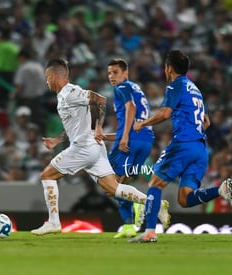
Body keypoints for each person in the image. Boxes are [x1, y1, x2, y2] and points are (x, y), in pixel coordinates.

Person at [31, 58, 170, 235]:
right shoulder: (64, 96)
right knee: (114, 189)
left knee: (47, 175)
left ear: (54, 76)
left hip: (83, 148)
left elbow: (100, 100)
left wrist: (99, 125)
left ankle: (53, 222)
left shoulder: (70, 91)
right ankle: (154, 204)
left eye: (47, 77)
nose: (46, 81)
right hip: (93, 148)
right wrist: (58, 139)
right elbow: (75, 124)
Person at [130, 50, 232, 243]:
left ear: (169, 68)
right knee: (185, 198)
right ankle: (220, 190)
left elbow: (164, 113)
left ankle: (149, 232)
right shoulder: (195, 88)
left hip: (183, 144)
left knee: (155, 183)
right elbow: (206, 121)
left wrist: (142, 123)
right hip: (200, 148)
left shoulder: (175, 86)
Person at [104, 58, 168, 239]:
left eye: (115, 72)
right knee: (122, 184)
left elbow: (130, 108)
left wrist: (124, 137)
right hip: (145, 141)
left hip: (132, 139)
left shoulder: (122, 87)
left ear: (125, 73)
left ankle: (144, 203)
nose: (111, 76)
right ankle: (128, 226)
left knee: (109, 183)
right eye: (109, 73)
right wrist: (110, 137)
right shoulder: (135, 88)